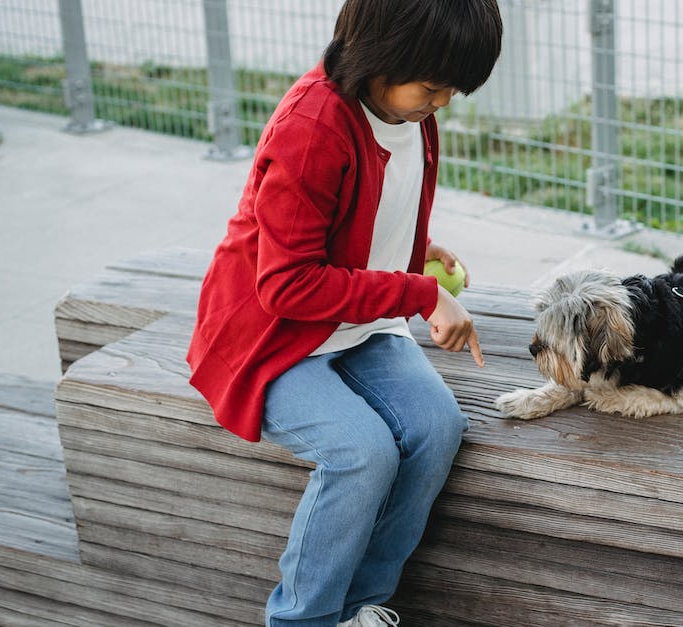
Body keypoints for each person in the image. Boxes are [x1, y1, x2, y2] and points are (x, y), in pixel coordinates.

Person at [185, 1, 502, 625]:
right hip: (271, 338)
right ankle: (301, 619)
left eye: (452, 92)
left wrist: (415, 247)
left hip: (355, 327)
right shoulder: (311, 128)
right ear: (380, 55)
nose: (440, 104)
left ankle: (362, 607)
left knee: (438, 427)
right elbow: (287, 284)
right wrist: (418, 292)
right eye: (432, 88)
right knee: (362, 450)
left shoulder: (407, 112)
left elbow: (368, 202)